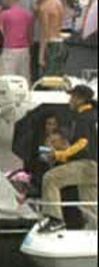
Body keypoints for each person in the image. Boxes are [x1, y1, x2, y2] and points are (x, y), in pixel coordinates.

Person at [39, 85, 98, 232]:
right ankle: (94, 231)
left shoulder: (83, 117)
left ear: (81, 99)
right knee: (90, 203)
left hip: (86, 164)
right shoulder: (93, 115)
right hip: (93, 166)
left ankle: (55, 220)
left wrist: (59, 155)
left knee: (50, 178)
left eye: (72, 97)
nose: (70, 100)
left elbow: (83, 143)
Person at [0, 0, 34, 84]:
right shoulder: (27, 14)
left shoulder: (4, 14)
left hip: (9, 48)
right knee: (23, 77)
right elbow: (30, 33)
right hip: (24, 48)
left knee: (7, 78)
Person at [37, 0, 68, 79]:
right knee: (58, 78)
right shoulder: (58, 2)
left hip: (51, 45)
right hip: (60, 42)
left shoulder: (44, 8)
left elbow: (44, 32)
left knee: (47, 79)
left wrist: (41, 55)